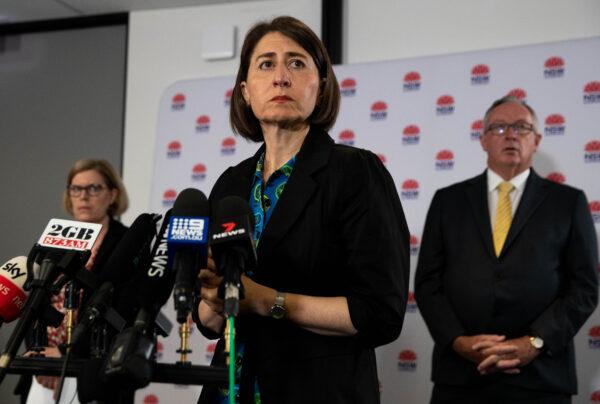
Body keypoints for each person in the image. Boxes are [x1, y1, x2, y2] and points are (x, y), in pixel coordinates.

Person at [195, 16, 410, 403]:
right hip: (229, 390)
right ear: (245, 90)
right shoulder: (230, 183)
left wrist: (265, 300)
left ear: (321, 85)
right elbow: (210, 324)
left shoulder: (355, 172)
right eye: (266, 64)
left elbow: (380, 313)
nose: (281, 77)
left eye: (296, 63)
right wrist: (211, 297)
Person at [414, 96, 598, 404]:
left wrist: (535, 342)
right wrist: (458, 341)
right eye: (499, 127)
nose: (510, 134)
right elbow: (428, 283)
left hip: (540, 378)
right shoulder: (448, 201)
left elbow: (584, 289)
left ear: (536, 140)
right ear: (483, 139)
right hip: (461, 378)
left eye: (521, 127)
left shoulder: (568, 203)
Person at [21, 158, 129, 404]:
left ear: (112, 194)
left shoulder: (126, 243)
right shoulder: (55, 240)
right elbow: (34, 299)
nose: (83, 196)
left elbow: (121, 311)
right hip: (43, 368)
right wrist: (40, 355)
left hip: (90, 368)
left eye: (94, 188)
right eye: (76, 188)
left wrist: (64, 355)